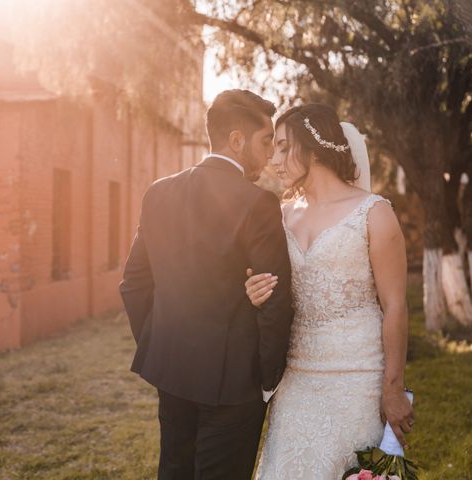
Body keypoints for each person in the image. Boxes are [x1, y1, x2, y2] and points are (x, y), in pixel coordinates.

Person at [119, 89, 295, 480]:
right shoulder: (259, 204)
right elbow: (274, 302)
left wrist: (160, 345)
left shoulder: (158, 192)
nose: (270, 154)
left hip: (171, 372)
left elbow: (133, 284)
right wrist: (267, 380)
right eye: (266, 141)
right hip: (235, 386)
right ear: (236, 141)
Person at [246, 104, 414, 479]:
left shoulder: (374, 213)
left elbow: (396, 307)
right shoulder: (280, 215)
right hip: (297, 379)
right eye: (274, 148)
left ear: (316, 147)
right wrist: (255, 291)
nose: (275, 159)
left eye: (285, 147)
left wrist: (393, 388)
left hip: (358, 380)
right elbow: (274, 289)